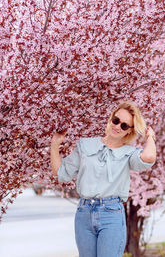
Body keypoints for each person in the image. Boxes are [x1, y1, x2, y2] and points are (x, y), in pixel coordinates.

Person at [50, 101, 156, 257]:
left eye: (124, 125)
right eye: (116, 120)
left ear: (129, 131)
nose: (118, 126)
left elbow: (149, 156)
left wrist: (150, 137)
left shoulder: (129, 153)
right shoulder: (85, 145)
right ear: (111, 118)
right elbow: (61, 173)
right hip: (84, 212)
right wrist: (54, 145)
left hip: (111, 214)